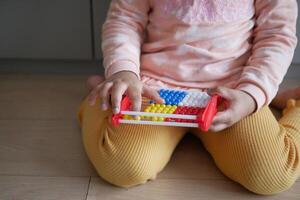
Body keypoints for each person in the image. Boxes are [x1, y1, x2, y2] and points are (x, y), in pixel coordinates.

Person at [78, 0, 300, 195]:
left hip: (232, 93)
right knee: (120, 166)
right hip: (155, 88)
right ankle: (102, 95)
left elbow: (276, 35)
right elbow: (125, 19)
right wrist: (122, 71)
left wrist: (252, 93)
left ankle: (281, 99)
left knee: (274, 175)